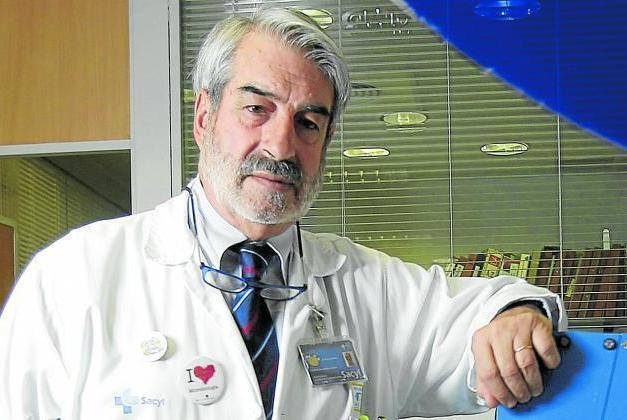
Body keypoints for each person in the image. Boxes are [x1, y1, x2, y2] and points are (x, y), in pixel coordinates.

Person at [0, 7, 566, 420]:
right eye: (256, 108)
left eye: (308, 122)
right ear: (204, 116)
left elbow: (494, 312)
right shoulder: (76, 277)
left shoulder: (364, 286)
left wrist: (517, 314)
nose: (281, 145)